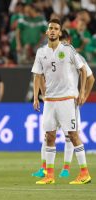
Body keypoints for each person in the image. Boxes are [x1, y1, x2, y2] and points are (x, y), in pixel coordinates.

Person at [32, 18, 91, 184]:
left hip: (66, 99)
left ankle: (84, 173)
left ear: (59, 32)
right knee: (49, 136)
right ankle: (49, 175)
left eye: (56, 29)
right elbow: (37, 75)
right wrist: (36, 96)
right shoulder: (41, 52)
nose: (52, 31)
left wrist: (82, 91)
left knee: (72, 134)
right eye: (50, 28)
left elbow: (83, 70)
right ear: (46, 31)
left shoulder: (68, 49)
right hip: (50, 100)